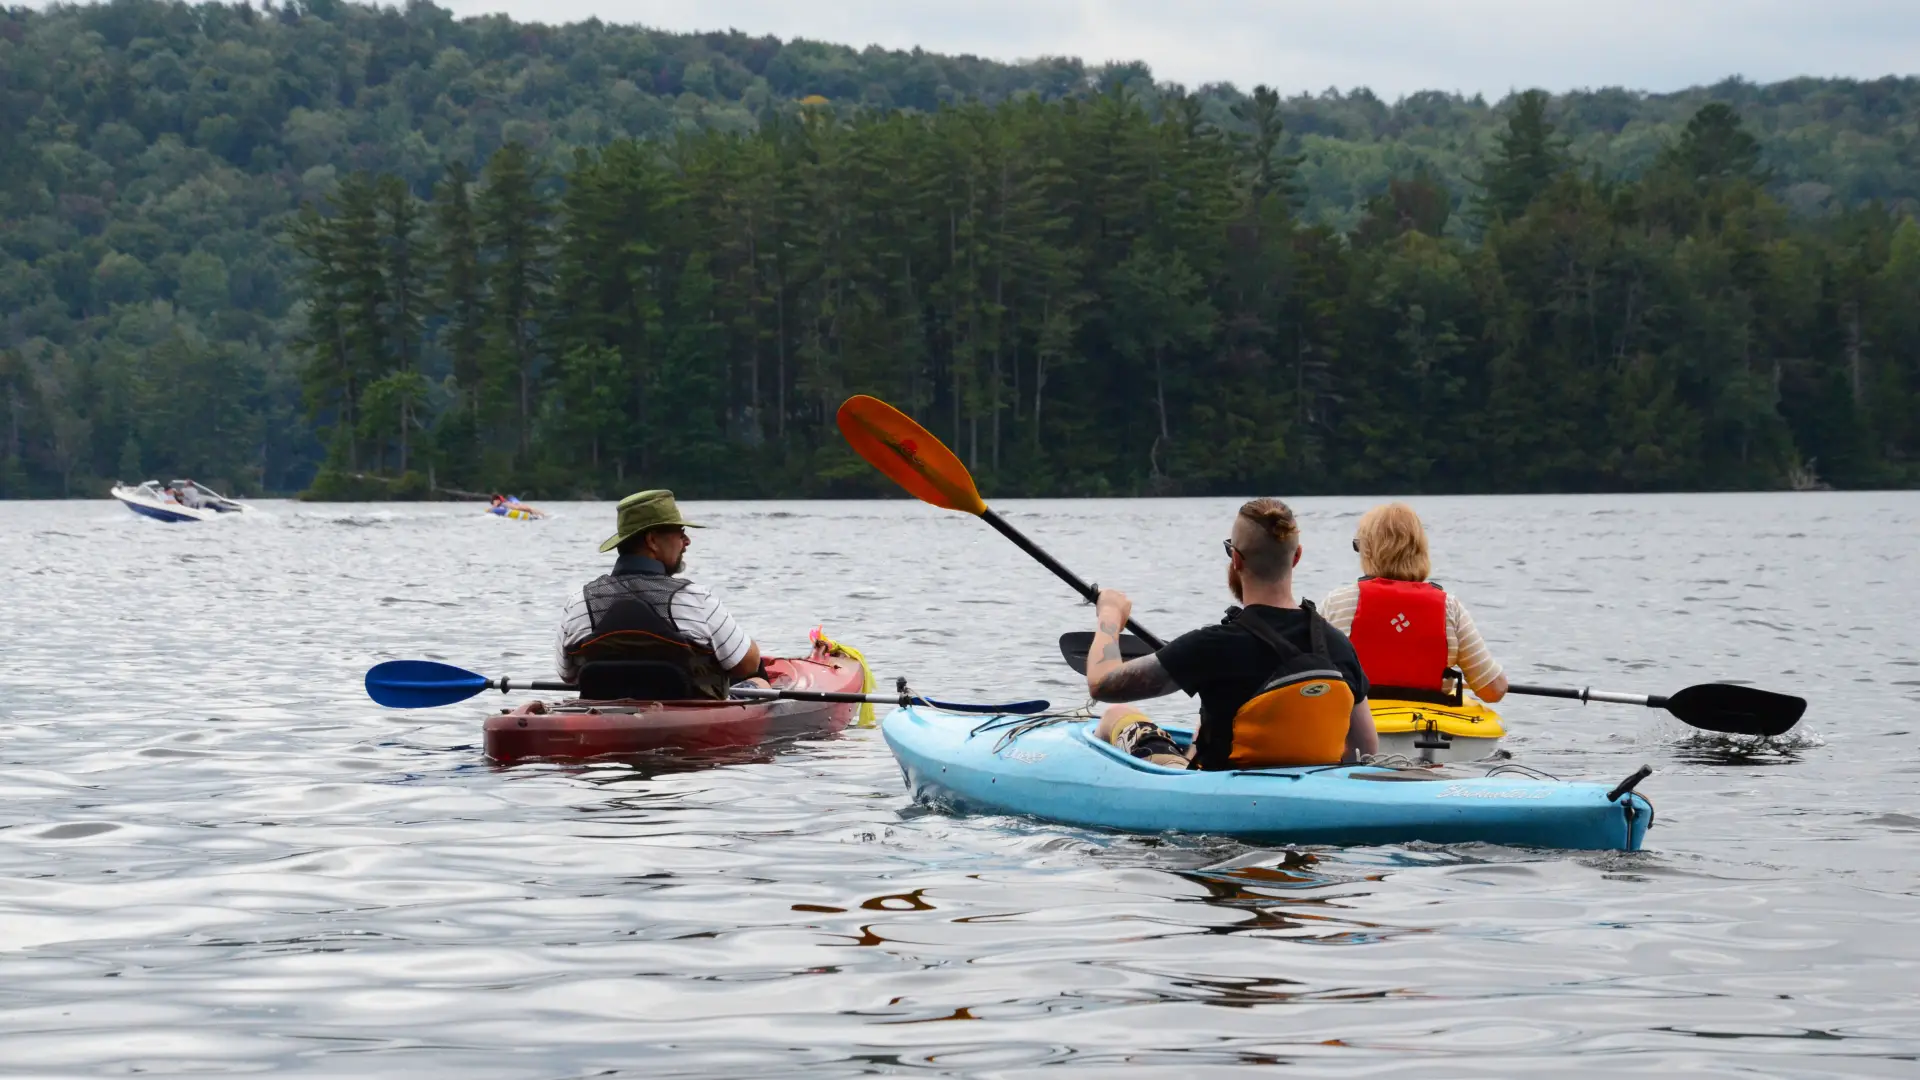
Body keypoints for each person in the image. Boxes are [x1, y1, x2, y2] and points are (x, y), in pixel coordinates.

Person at [1083, 497, 1377, 769]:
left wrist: (1110, 616)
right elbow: (1364, 748)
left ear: (1236, 559)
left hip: (1217, 794)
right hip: (1307, 794)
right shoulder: (1337, 645)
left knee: (1116, 714)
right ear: (1297, 557)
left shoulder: (1212, 646)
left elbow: (1101, 684)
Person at [555, 489, 767, 698]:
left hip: (604, 714)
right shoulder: (695, 599)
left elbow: (567, 675)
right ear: (652, 541)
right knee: (759, 680)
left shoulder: (578, 602)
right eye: (680, 532)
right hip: (690, 716)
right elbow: (747, 665)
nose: (686, 541)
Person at [1317, 502, 1508, 704]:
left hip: (1357, 727)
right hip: (1429, 731)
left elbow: (1306, 677)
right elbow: (1494, 690)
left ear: (1368, 551)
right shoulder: (1449, 608)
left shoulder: (1337, 603)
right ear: (1420, 549)